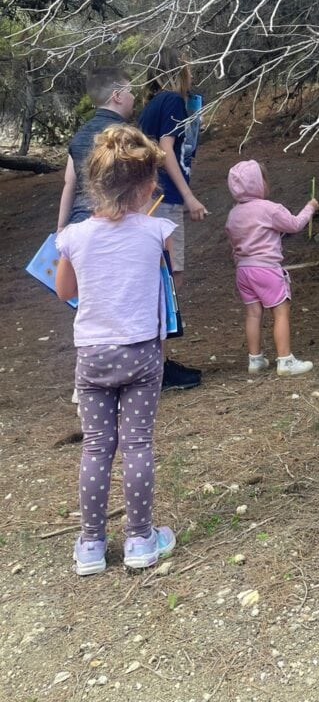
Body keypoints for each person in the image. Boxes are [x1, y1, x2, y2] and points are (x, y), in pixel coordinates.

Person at [55, 125, 178, 575]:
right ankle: (141, 539)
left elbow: (63, 288)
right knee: (138, 443)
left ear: (93, 183)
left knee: (96, 446)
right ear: (148, 187)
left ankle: (90, 544)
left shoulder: (73, 236)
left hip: (92, 354)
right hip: (142, 352)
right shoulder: (157, 229)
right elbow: (161, 274)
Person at [137, 49, 207, 390]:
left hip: (155, 197)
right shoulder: (172, 101)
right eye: (187, 67)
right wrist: (189, 196)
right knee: (169, 278)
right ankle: (155, 366)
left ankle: (155, 361)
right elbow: (165, 150)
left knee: (162, 278)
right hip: (164, 199)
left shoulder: (153, 104)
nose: (192, 73)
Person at [225, 159, 319, 376]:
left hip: (243, 270)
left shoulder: (233, 214)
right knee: (281, 312)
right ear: (259, 183)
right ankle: (285, 361)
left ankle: (255, 360)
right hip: (266, 268)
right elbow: (294, 224)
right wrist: (310, 207)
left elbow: (233, 242)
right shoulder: (268, 208)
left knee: (253, 314)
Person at [57, 67, 134, 231]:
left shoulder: (78, 136)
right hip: (117, 223)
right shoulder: (128, 136)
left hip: (79, 224)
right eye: (130, 91)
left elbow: (69, 183)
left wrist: (61, 227)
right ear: (117, 96)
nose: (134, 97)